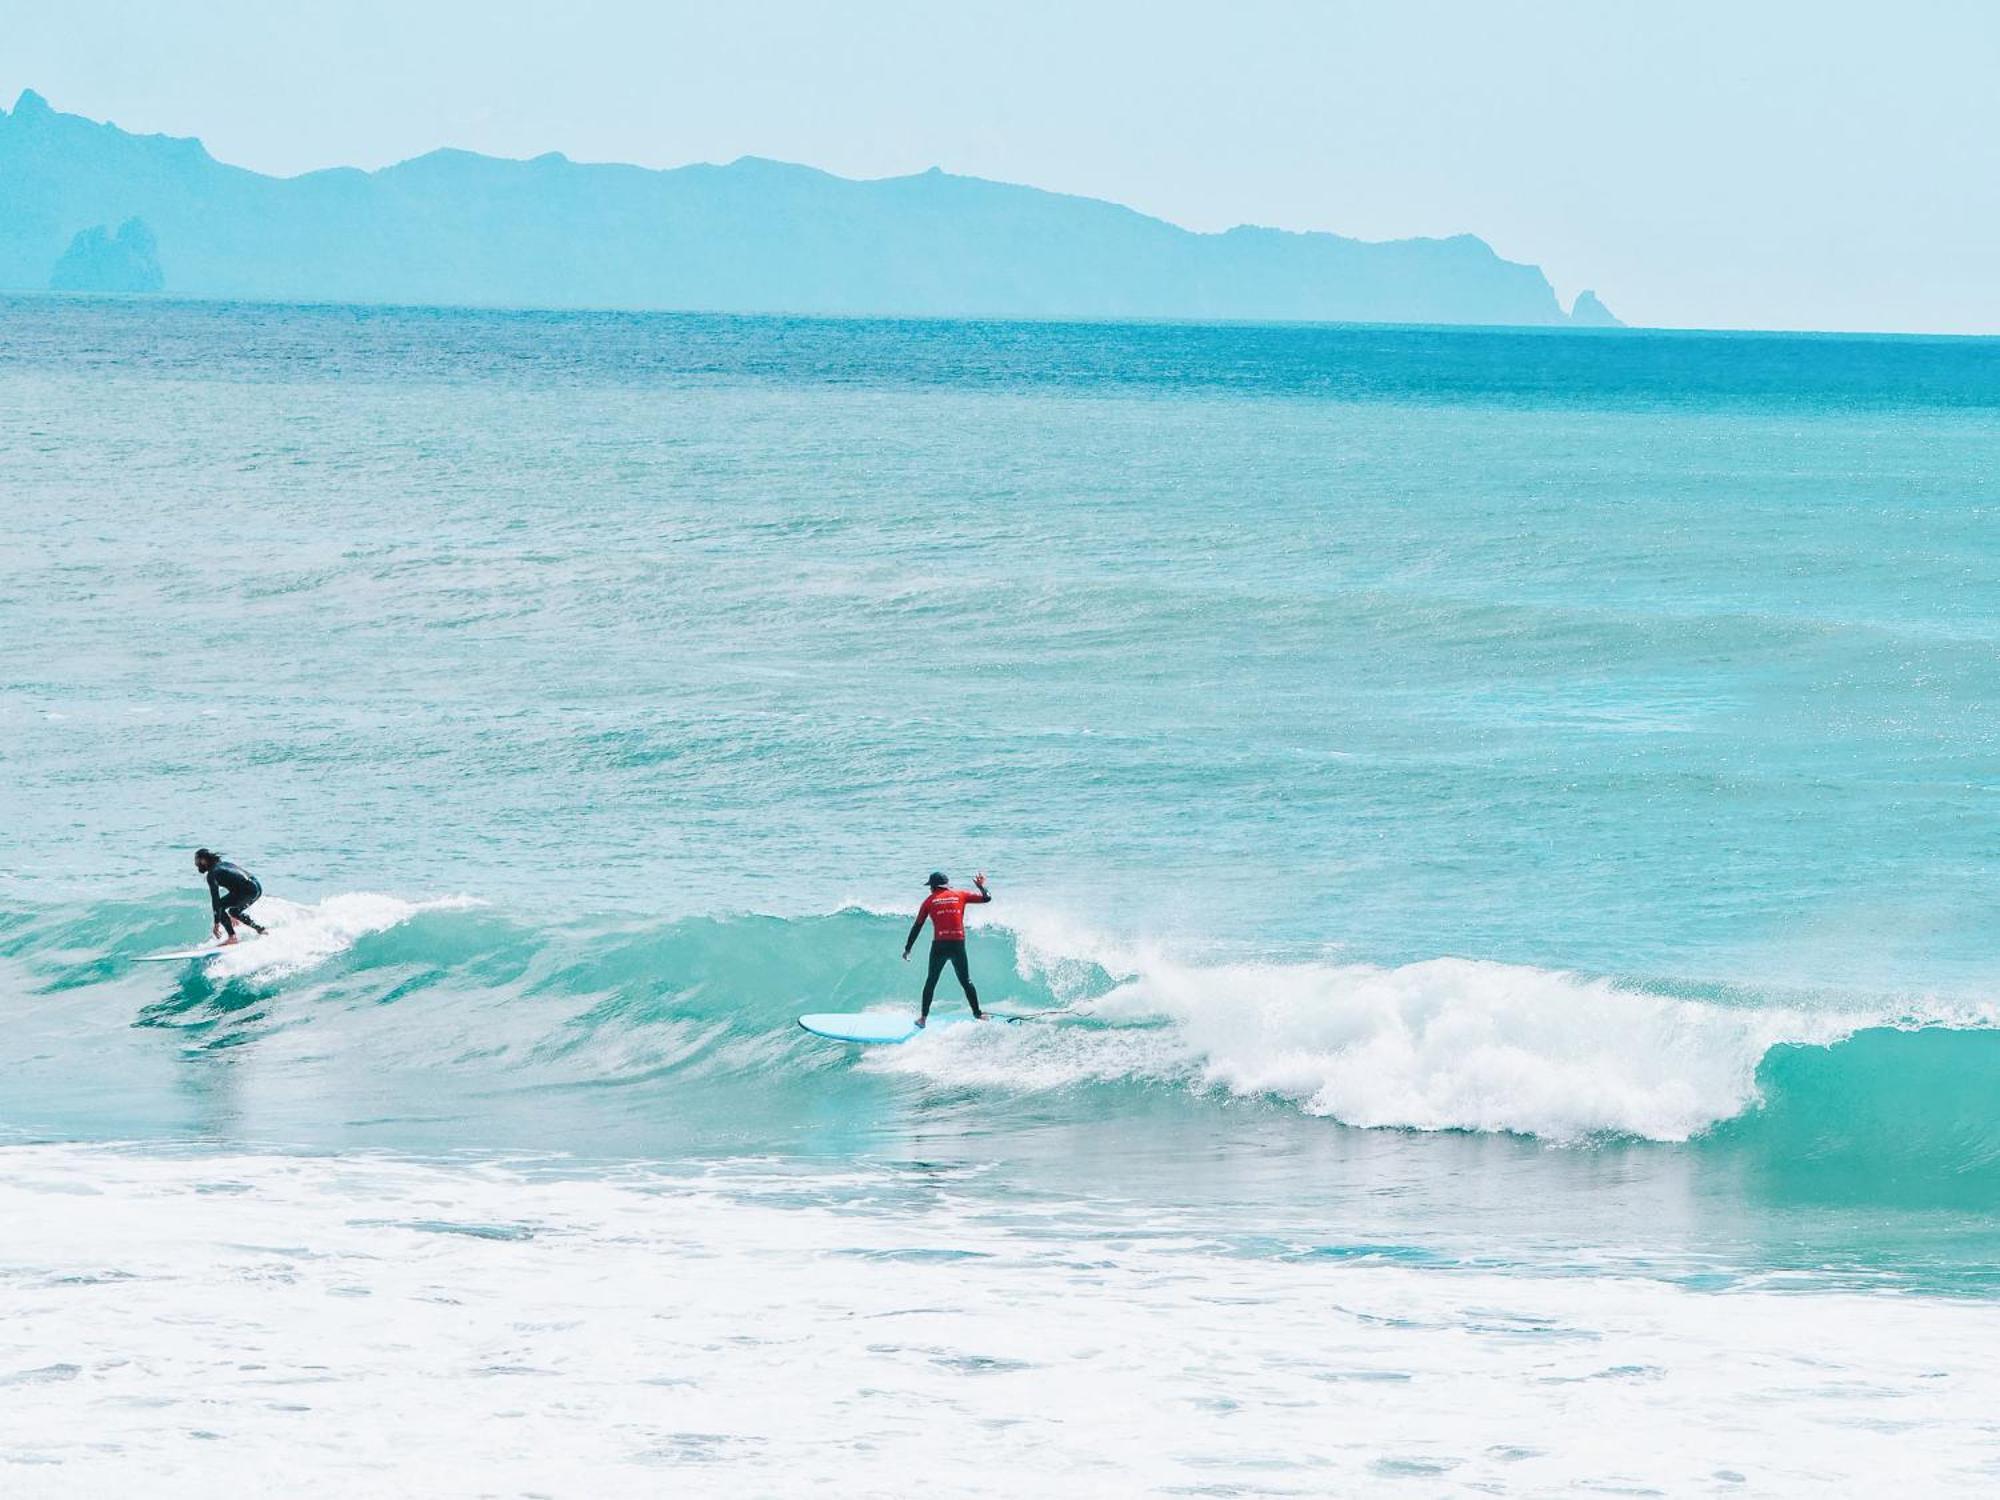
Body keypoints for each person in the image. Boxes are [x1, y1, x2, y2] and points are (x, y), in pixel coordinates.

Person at [903, 870, 991, 1027]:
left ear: (933, 887)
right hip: (958, 944)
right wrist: (981, 886)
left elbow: (917, 926)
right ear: (946, 886)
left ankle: (923, 1019)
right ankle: (977, 1013)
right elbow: (987, 898)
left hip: (940, 945)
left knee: (931, 981)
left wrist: (908, 948)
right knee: (966, 981)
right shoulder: (960, 895)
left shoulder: (929, 901)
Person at [194, 848, 266, 944]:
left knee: (221, 906)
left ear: (203, 860)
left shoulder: (212, 874)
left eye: (197, 860)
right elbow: (235, 884)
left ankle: (232, 937)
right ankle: (260, 929)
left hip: (247, 890)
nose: (196, 864)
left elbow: (215, 899)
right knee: (234, 911)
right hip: (257, 888)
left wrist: (217, 922)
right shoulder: (225, 865)